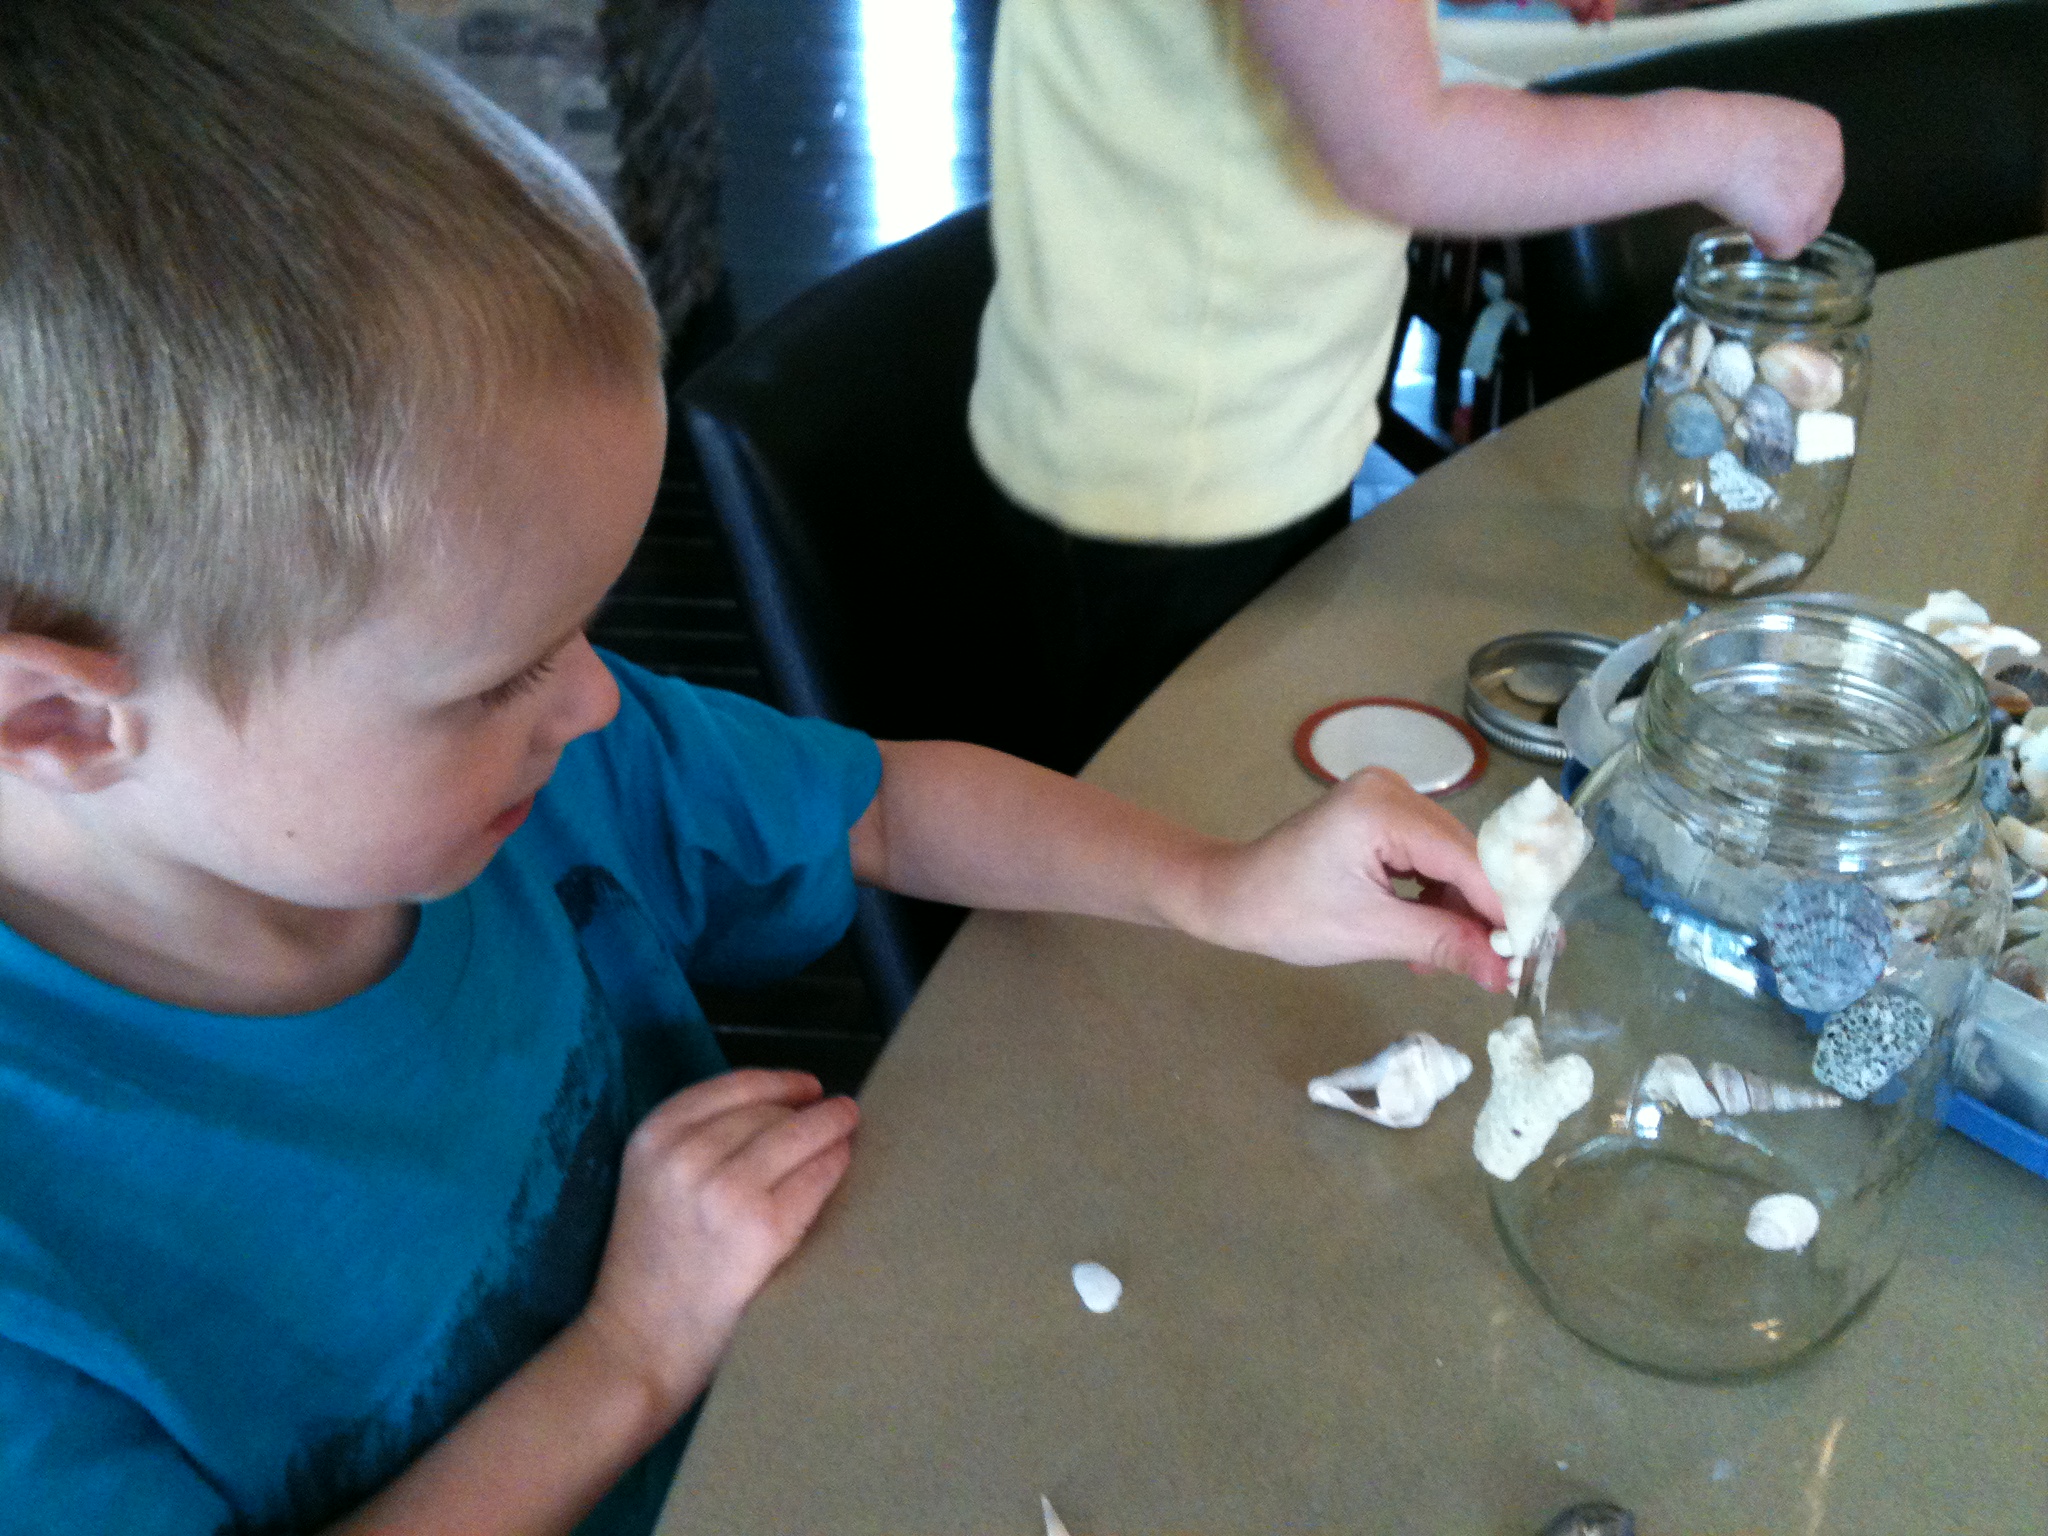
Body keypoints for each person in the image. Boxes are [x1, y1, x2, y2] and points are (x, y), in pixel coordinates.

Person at [0, 5, 1513, 1532]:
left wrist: (1219, 885)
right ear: (58, 723)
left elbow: (886, 804)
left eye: (584, 629)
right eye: (498, 676)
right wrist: (632, 1351)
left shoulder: (531, 774)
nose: (596, 698)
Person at [970, 0, 1845, 769]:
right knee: (1163, 826)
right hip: (1180, 471)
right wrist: (1726, 143)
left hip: (1201, 420)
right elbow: (1397, 152)